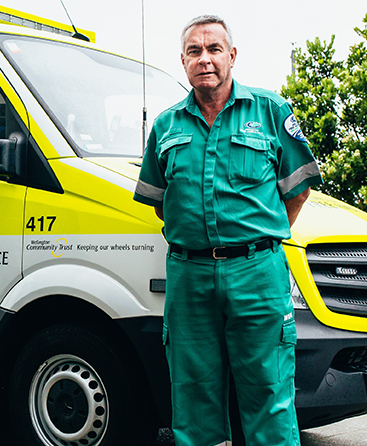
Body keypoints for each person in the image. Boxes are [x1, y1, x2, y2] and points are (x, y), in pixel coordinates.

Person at [134, 15, 323, 446]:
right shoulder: (165, 126)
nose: (205, 59)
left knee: (268, 396)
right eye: (195, 51)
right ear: (183, 61)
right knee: (193, 399)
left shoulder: (271, 112)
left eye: (214, 49)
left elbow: (296, 191)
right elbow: (164, 205)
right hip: (190, 277)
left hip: (257, 273)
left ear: (232, 56)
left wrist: (255, 241)